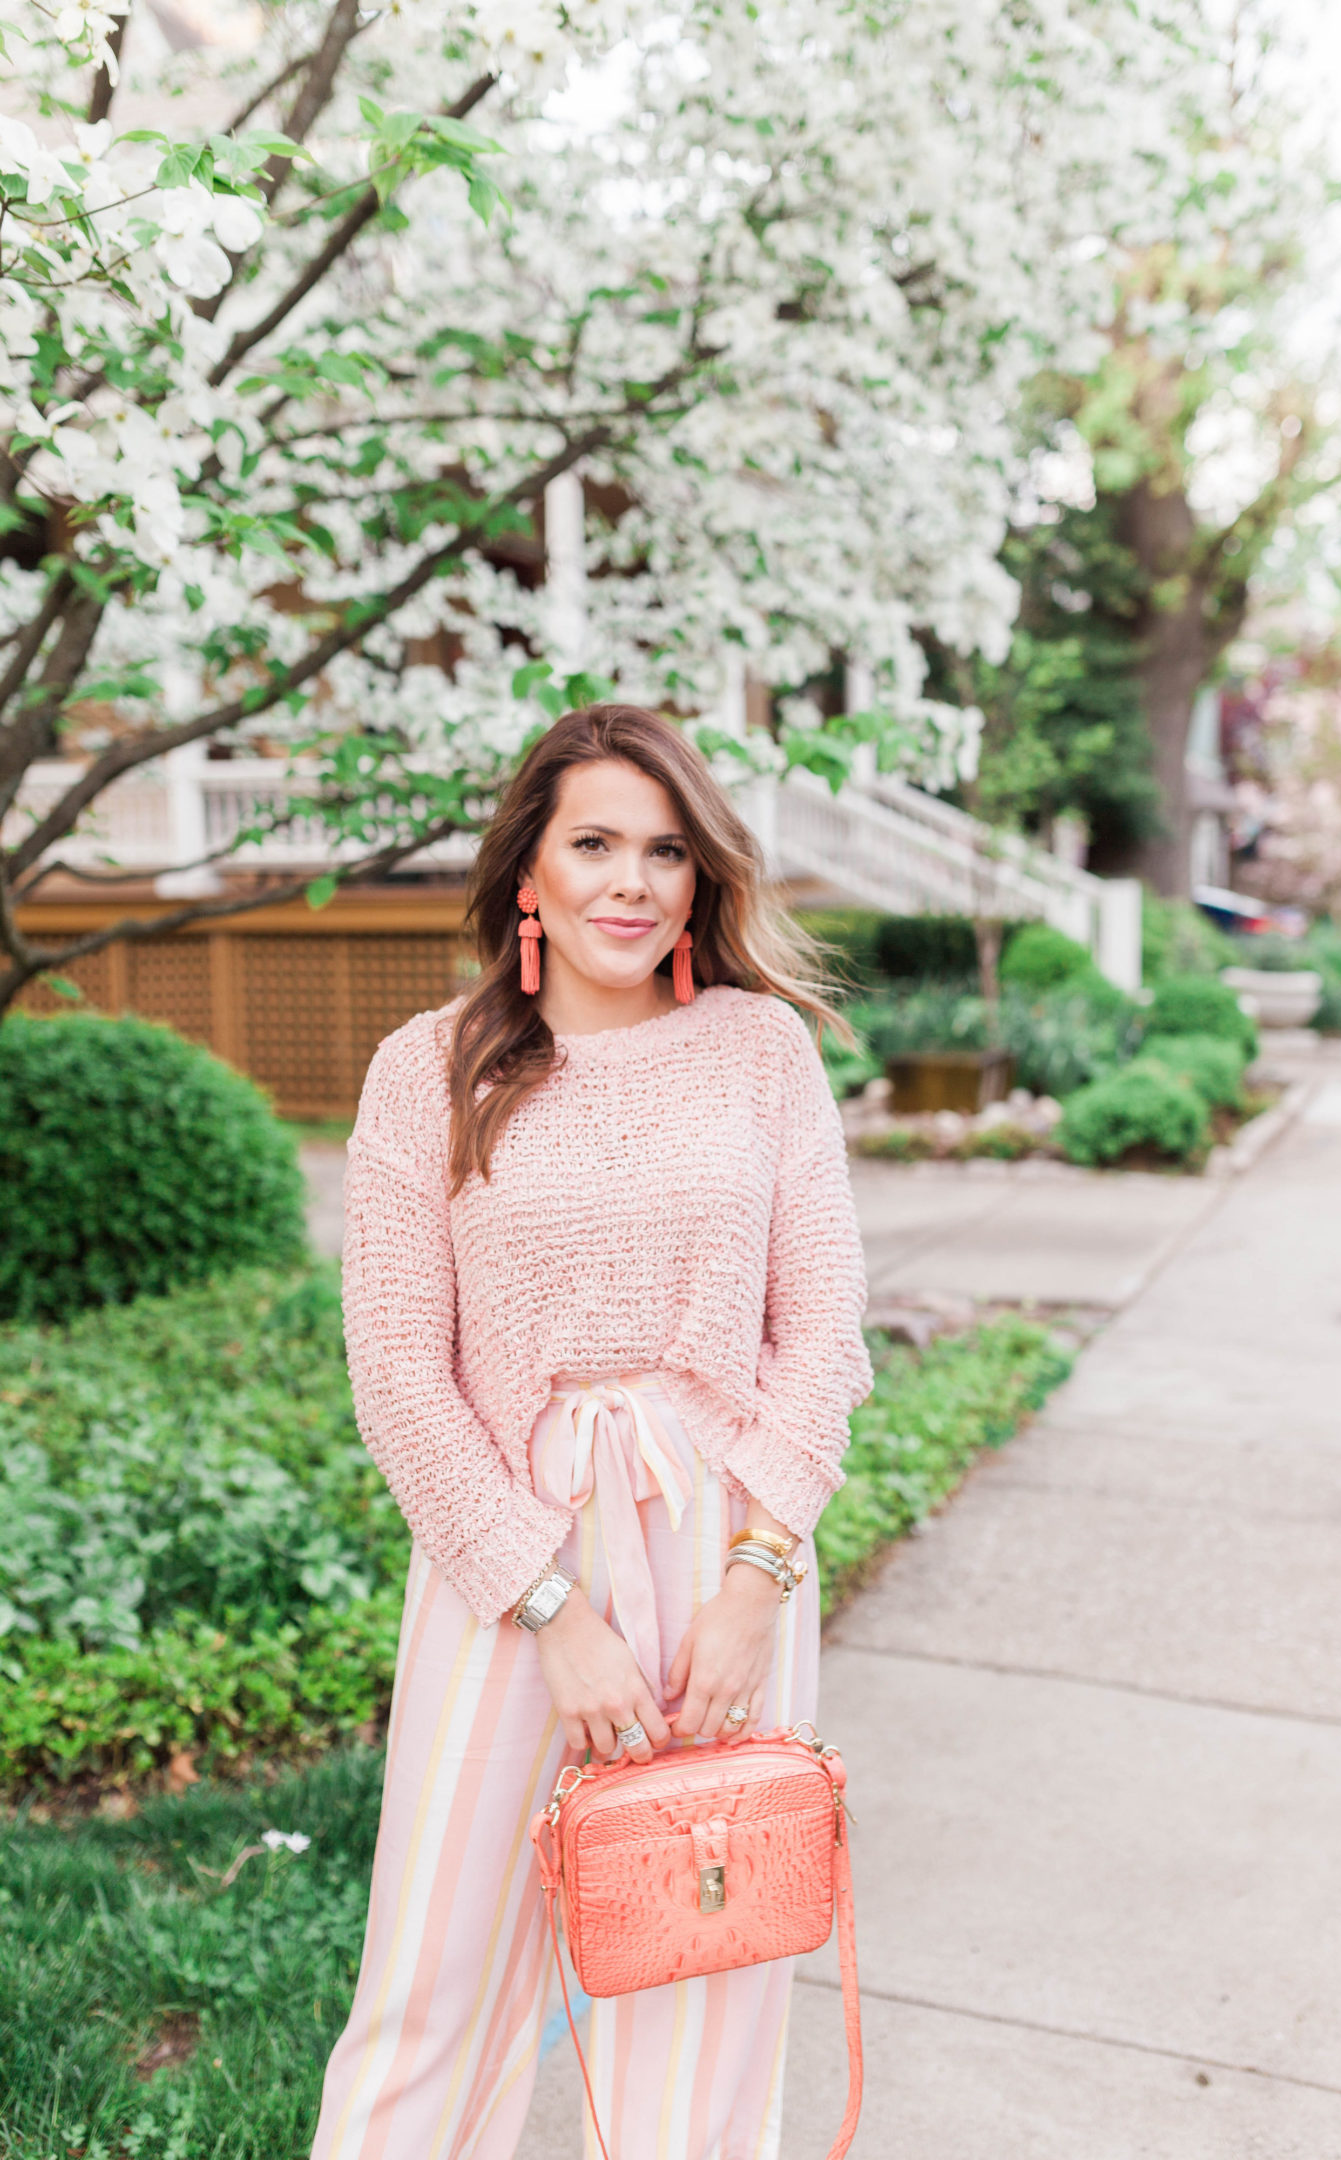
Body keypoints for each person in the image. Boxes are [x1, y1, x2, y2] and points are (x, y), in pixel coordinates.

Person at [310, 703, 871, 2160]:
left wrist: (758, 1577)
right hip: (507, 1551)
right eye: (596, 844)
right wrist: (547, 1602)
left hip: (725, 1544)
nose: (632, 882)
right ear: (529, 878)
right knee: (432, 1977)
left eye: (667, 850)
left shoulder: (761, 1054)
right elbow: (395, 1371)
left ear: (701, 880)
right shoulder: (426, 1071)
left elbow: (822, 1337)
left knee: (703, 1978)